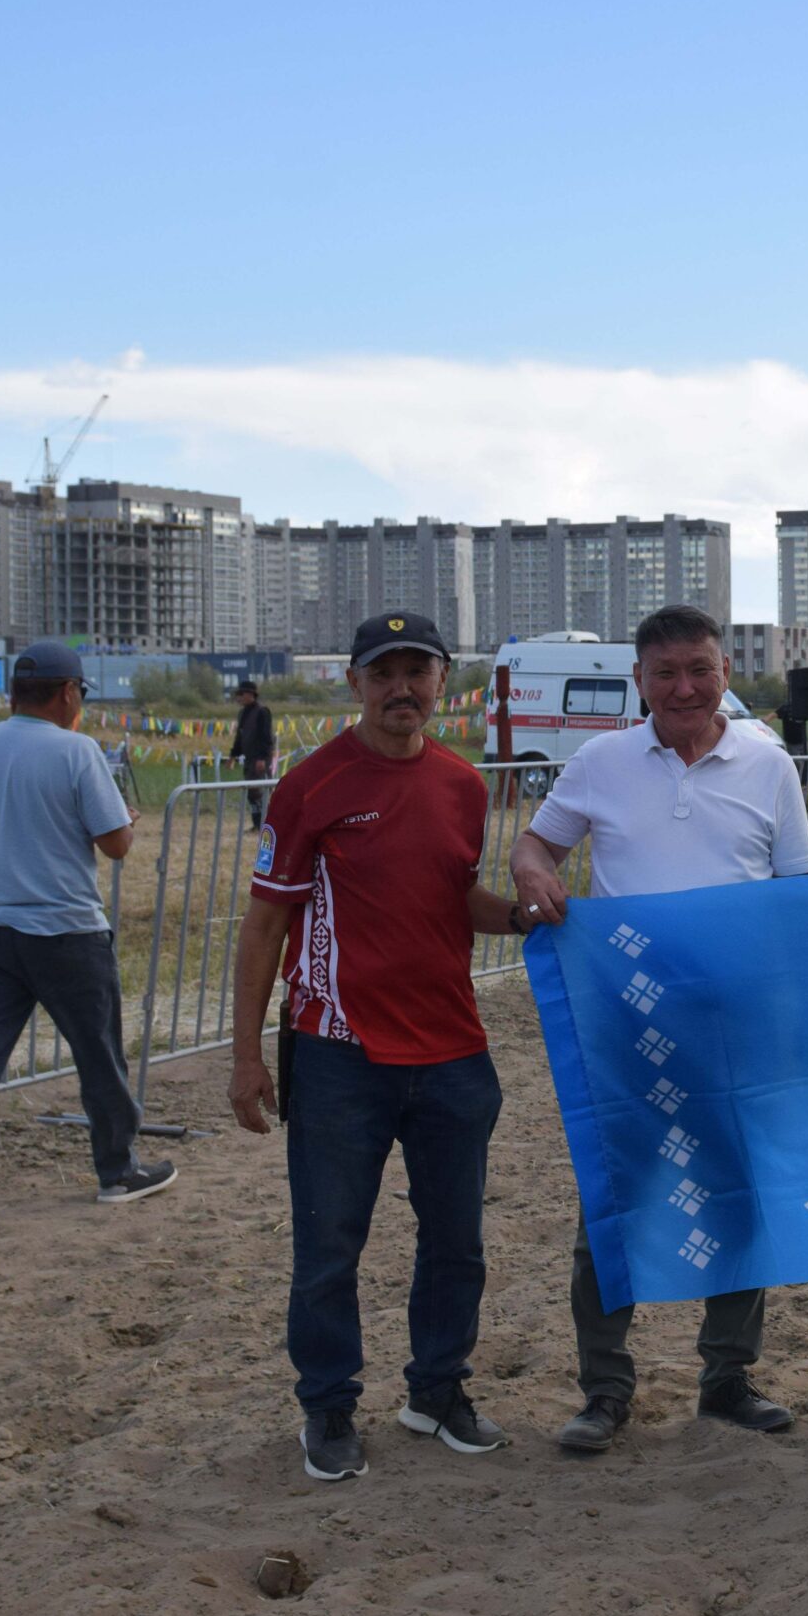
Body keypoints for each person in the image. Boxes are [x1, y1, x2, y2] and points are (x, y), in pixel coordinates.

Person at [513, 604, 808, 1452]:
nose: (684, 687)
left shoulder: (769, 765)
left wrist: (796, 1017)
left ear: (726, 671)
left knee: (738, 1199)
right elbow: (534, 847)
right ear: (638, 681)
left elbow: (801, 897)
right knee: (612, 1206)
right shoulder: (599, 762)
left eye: (700, 669)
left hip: (735, 1032)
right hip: (627, 1031)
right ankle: (605, 1388)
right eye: (665, 673)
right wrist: (534, 874)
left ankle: (727, 1379)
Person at [230, 612, 527, 1484]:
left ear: (443, 680)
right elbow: (264, 926)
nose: (403, 688)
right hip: (339, 1052)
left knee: (457, 1241)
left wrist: (526, 916)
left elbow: (455, 895)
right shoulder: (310, 785)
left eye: (418, 671)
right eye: (384, 672)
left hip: (452, 1051)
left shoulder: (463, 785)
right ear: (355, 681)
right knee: (329, 1246)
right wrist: (246, 1056)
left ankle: (436, 1390)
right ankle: (328, 1406)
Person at [0, 642, 173, 1229]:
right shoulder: (76, 750)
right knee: (99, 1055)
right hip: (66, 930)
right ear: (67, 693)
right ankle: (118, 1172)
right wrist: (123, 821)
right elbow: (115, 844)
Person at [231, 680, 277, 828]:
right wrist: (233, 755)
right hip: (249, 758)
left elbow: (266, 737)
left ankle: (266, 823)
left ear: (251, 695)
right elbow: (240, 737)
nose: (239, 697)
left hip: (260, 759)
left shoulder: (262, 711)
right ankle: (257, 823)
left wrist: (262, 758)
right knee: (252, 793)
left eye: (241, 694)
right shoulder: (243, 713)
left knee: (260, 792)